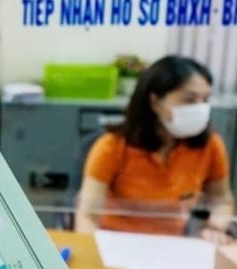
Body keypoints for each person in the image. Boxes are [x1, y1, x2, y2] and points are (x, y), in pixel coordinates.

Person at [76, 55, 235, 244]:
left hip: (172, 245)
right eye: (189, 100)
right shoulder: (112, 146)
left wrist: (215, 228)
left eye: (205, 100)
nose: (200, 109)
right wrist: (92, 250)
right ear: (155, 102)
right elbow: (87, 214)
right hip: (114, 243)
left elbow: (221, 200)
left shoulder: (210, 145)